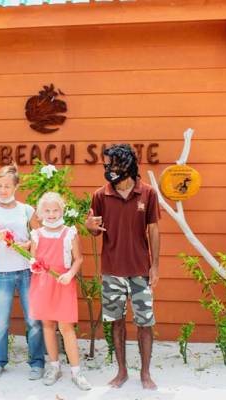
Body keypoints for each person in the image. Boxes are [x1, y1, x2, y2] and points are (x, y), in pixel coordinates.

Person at [85, 143, 161, 390]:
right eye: (105, 165)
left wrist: (155, 266)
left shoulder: (147, 193)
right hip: (112, 271)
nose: (108, 169)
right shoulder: (100, 194)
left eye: (112, 165)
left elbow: (153, 230)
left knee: (145, 323)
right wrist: (90, 227)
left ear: (126, 165)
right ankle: (121, 371)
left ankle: (146, 373)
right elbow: (94, 229)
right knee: (116, 321)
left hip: (140, 270)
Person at [0, 164, 45, 380]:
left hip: (26, 272)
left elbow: (39, 236)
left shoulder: (26, 210)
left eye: (7, 186)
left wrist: (26, 246)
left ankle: (36, 362)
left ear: (16, 186)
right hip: (1, 275)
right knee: (0, 323)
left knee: (33, 320)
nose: (2, 190)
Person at [29, 192, 91, 391]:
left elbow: (79, 258)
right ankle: (54, 367)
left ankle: (76, 371)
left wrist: (71, 274)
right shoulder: (36, 234)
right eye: (47, 210)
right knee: (47, 326)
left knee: (66, 328)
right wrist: (34, 265)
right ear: (40, 213)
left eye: (55, 210)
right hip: (43, 284)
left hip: (63, 283)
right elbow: (33, 260)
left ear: (61, 211)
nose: (52, 214)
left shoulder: (69, 232)